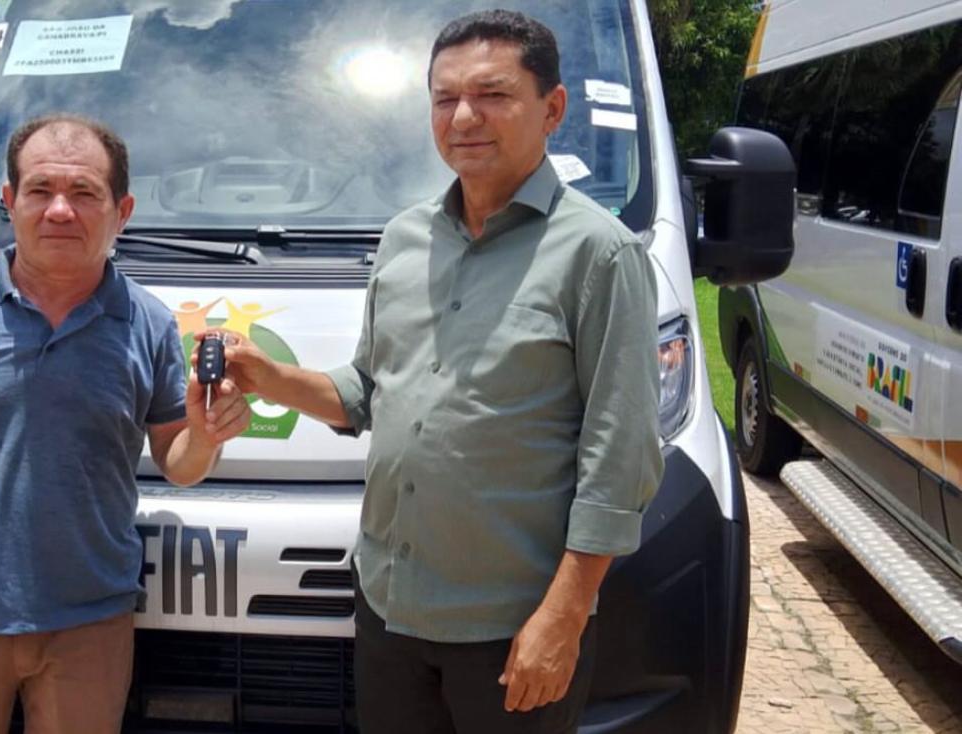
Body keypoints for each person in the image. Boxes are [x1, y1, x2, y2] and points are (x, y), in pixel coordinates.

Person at [206, 10, 662, 734]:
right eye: (445, 98)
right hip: (390, 609)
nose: (464, 117)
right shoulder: (404, 239)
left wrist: (564, 617)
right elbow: (367, 392)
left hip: (512, 624)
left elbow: (621, 459)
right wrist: (267, 376)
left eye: (492, 95)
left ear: (553, 109)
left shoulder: (599, 254)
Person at [0, 114, 250, 733]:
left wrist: (206, 435)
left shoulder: (149, 324)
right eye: (40, 190)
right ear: (9, 202)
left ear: (121, 211)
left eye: (84, 192)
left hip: (90, 627)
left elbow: (179, 463)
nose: (60, 210)